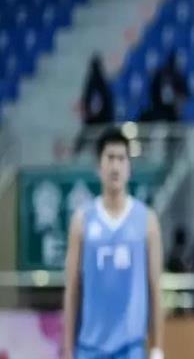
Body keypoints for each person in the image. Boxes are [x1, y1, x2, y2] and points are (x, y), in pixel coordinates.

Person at [64, 127, 164, 359]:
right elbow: (72, 288)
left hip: (130, 348)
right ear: (98, 166)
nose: (115, 166)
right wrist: (67, 349)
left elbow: (154, 287)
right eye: (110, 158)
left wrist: (158, 347)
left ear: (129, 167)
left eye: (121, 159)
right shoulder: (82, 221)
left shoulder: (146, 220)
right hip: (89, 348)